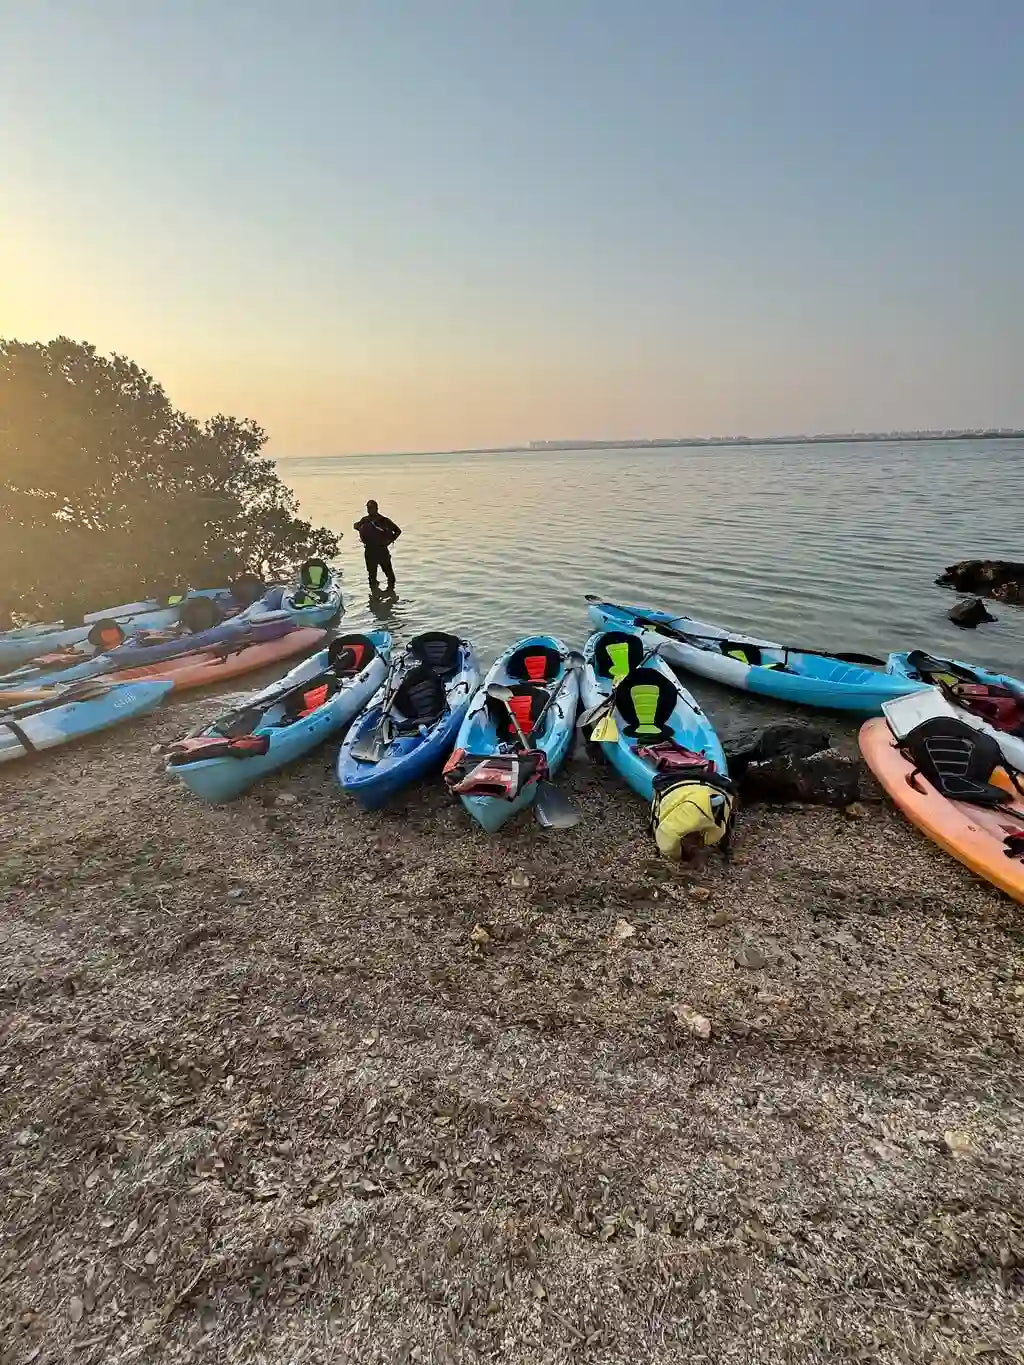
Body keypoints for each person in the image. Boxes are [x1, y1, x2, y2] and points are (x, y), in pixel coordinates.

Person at [353, 499, 401, 594]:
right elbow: (355, 526)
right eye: (368, 507)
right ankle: (375, 598)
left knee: (390, 577)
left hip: (382, 551)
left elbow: (398, 531)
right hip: (370, 552)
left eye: (371, 507)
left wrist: (389, 541)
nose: (369, 509)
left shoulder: (384, 520)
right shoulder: (365, 520)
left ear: (376, 508)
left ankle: (390, 595)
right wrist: (360, 528)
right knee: (372, 578)